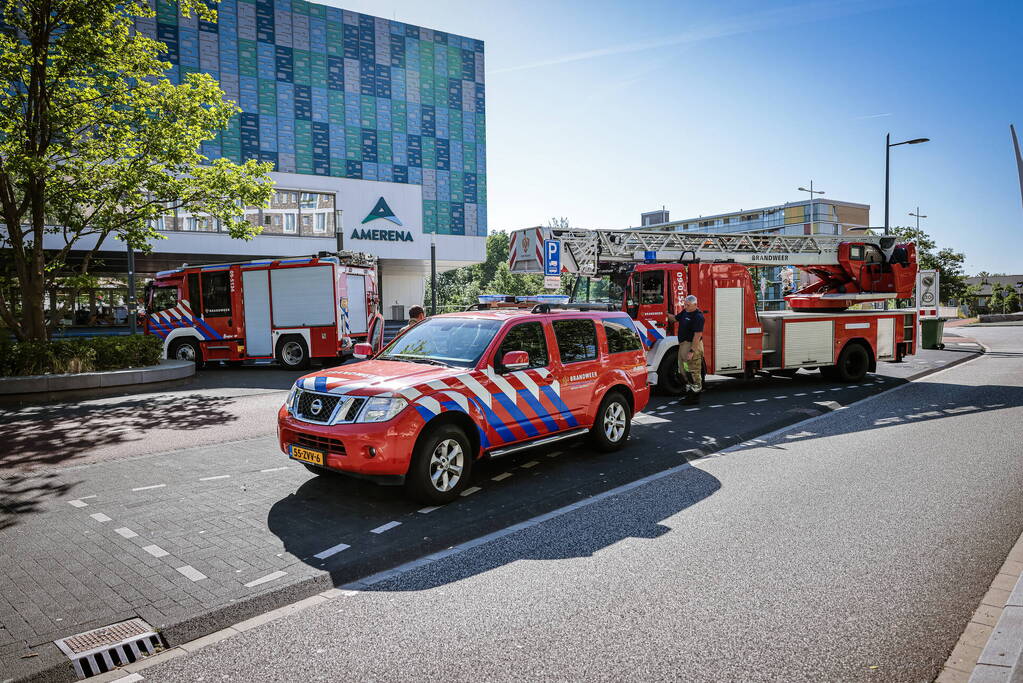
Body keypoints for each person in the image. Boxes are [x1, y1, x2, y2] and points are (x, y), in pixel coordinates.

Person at [668, 294, 705, 404]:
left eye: (688, 305)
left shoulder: (698, 317)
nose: (685, 307)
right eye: (685, 304)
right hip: (683, 346)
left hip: (692, 346)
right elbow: (674, 319)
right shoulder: (685, 312)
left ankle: (695, 396)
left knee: (693, 372)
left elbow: (697, 335)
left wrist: (692, 351)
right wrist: (664, 314)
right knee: (684, 371)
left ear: (695, 305)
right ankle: (689, 394)